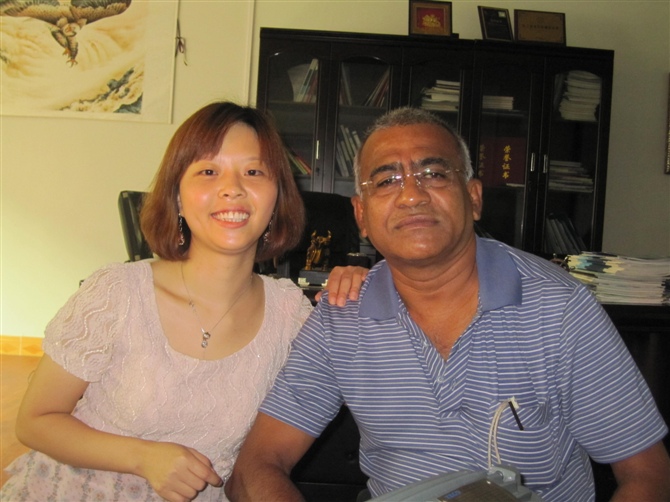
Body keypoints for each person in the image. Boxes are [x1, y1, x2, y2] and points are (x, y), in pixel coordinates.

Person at [226, 107, 670, 502]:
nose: (412, 195)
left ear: (474, 197)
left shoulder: (559, 308)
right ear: (361, 216)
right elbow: (254, 468)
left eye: (434, 174)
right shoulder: (342, 317)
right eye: (387, 181)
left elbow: (648, 474)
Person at [0, 102, 366, 502]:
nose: (232, 188)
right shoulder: (118, 293)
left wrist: (369, 287)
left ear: (277, 197)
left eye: (253, 172)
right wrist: (143, 457)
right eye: (208, 171)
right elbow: (35, 421)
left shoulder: (290, 314)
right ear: (177, 197)